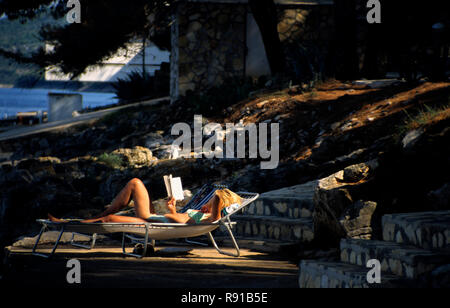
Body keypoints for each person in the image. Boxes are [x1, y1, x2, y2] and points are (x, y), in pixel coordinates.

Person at [48, 178, 242, 225]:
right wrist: (172, 209)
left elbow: (217, 200)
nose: (205, 203)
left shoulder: (210, 218)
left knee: (110, 220)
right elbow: (180, 220)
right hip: (157, 218)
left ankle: (74, 223)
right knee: (135, 183)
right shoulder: (202, 215)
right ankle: (93, 217)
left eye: (209, 202)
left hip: (151, 221)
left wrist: (221, 196)